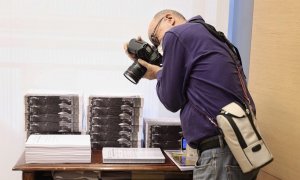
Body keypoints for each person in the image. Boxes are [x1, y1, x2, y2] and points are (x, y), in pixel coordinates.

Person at [124, 9, 259, 180]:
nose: (158, 44)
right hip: (240, 150)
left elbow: (171, 100)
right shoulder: (211, 35)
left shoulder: (175, 34)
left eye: (155, 38)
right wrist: (157, 61)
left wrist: (156, 74)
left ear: (169, 19)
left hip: (220, 155)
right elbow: (187, 72)